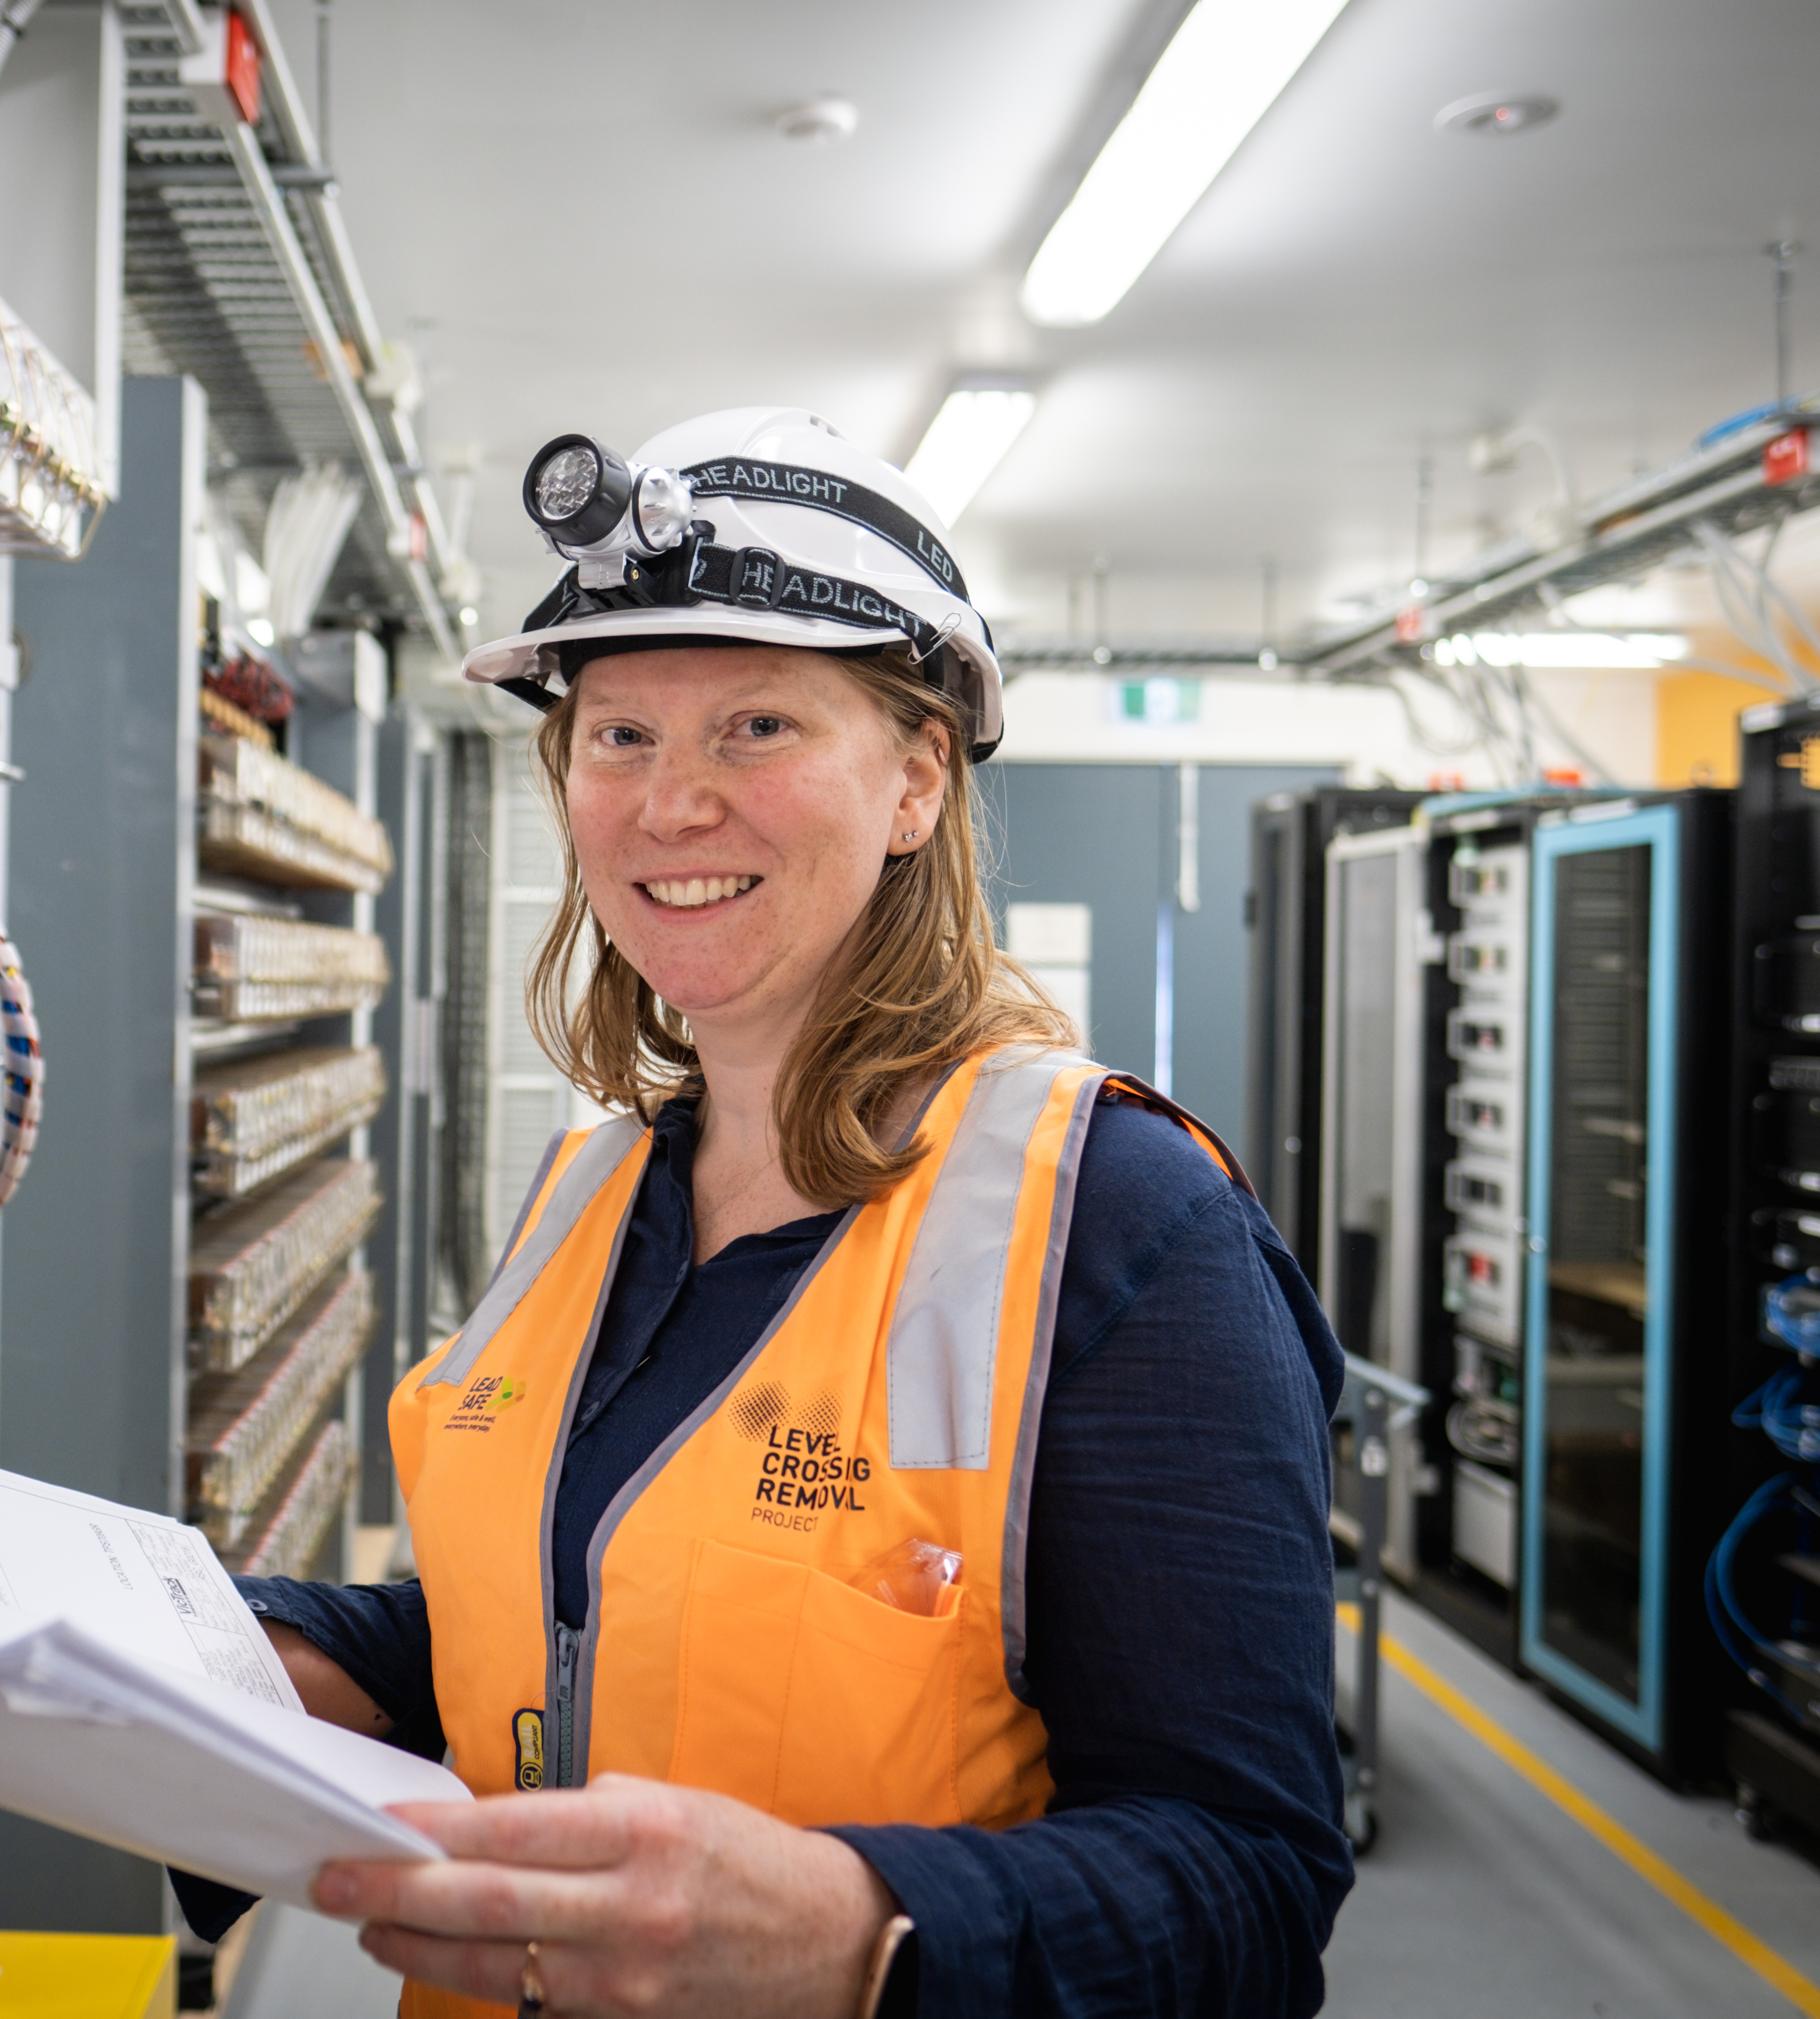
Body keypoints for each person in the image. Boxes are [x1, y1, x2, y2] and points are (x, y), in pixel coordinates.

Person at [181, 409, 1352, 2017]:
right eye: (619, 737)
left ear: (916, 782)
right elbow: (582, 1588)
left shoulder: (1116, 1223)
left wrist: (866, 1932)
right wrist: (291, 1656)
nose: (671, 806)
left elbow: (1251, 1881)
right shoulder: (594, 1189)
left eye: (756, 728)